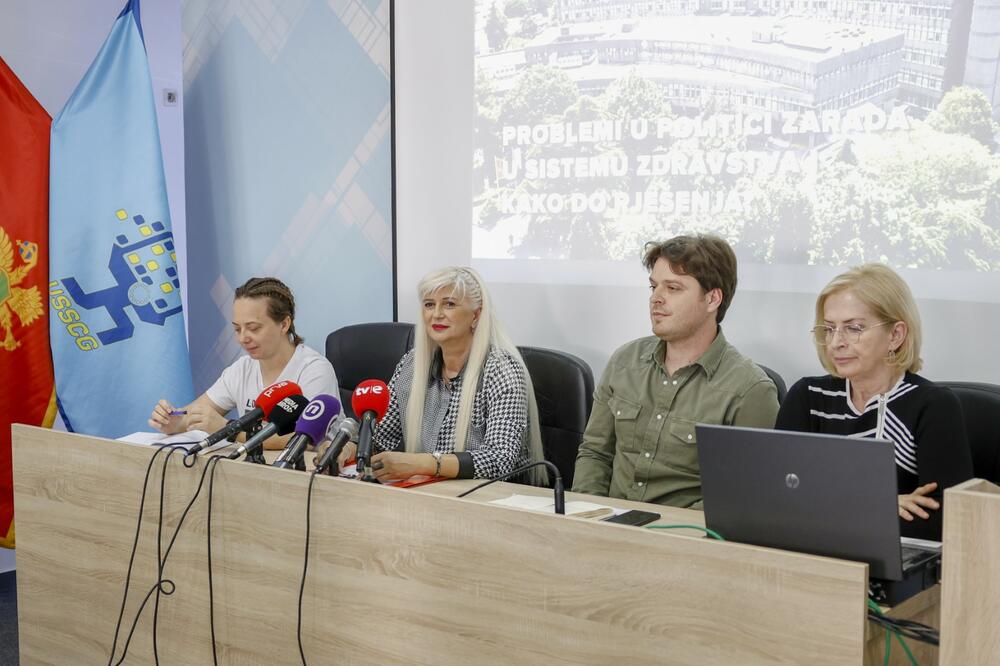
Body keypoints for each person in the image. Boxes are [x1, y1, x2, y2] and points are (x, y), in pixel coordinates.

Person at [573, 235, 780, 508]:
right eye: (653, 286)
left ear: (712, 299)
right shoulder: (625, 361)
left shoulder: (750, 390)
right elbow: (595, 453)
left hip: (686, 538)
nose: (656, 299)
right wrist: (587, 516)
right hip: (607, 526)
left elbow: (741, 494)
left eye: (673, 288)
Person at [776, 263, 972, 540]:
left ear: (896, 335)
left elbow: (942, 521)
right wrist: (881, 505)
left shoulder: (932, 406)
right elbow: (780, 499)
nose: (836, 343)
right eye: (829, 329)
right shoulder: (808, 397)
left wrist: (825, 503)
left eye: (854, 328)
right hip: (812, 555)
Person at [336, 266, 546, 485]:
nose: (436, 314)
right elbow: (381, 438)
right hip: (428, 496)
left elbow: (499, 460)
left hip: (490, 500)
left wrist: (422, 464)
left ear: (476, 315)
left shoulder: (502, 371)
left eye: (449, 304)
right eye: (429, 305)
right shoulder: (411, 365)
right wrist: (349, 449)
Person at [148, 277, 339, 450]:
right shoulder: (241, 368)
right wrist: (174, 422)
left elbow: (304, 440)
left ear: (284, 324)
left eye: (253, 328)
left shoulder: (315, 370)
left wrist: (228, 429)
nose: (243, 338)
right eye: (237, 329)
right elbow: (194, 414)